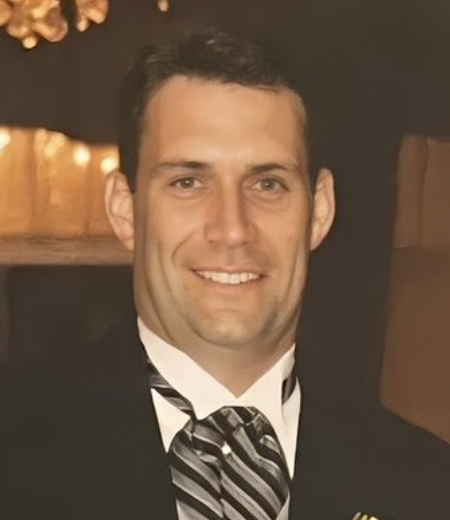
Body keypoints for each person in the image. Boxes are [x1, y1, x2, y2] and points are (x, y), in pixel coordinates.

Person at [1, 29, 449, 520]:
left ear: (319, 210)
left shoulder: (428, 483)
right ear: (125, 210)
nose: (232, 229)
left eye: (268, 184)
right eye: (188, 182)